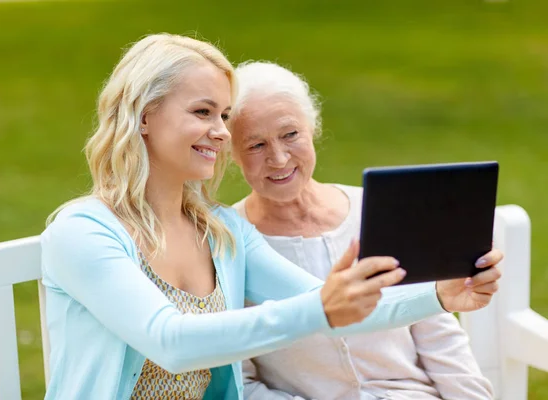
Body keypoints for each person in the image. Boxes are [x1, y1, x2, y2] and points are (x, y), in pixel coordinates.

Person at [40, 34, 503, 400]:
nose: (221, 132)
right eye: (203, 112)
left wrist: (441, 296)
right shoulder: (83, 232)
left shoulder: (221, 231)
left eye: (223, 114)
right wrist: (321, 307)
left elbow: (341, 306)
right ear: (144, 116)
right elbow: (170, 342)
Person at [228, 61, 496, 400]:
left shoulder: (380, 210)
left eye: (290, 134)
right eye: (256, 145)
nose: (279, 158)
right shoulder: (227, 243)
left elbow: (439, 335)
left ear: (312, 129)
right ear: (231, 152)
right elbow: (242, 383)